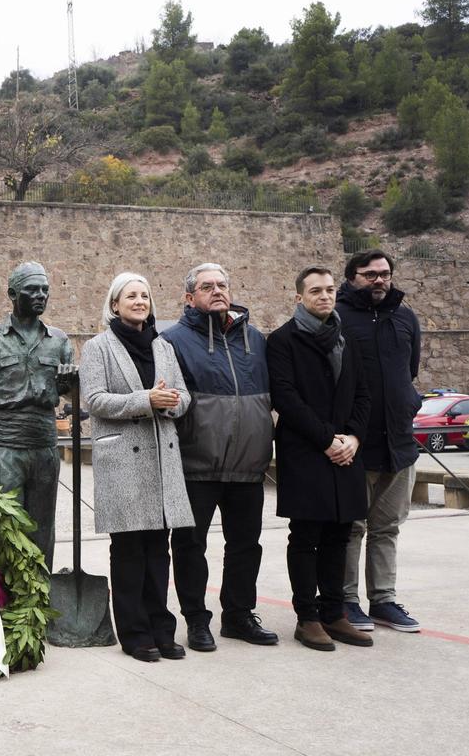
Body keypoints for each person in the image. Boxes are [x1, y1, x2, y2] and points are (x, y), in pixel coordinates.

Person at [163, 262, 279, 651]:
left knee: (246, 545)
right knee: (190, 546)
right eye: (207, 286)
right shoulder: (174, 341)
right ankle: (197, 620)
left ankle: (239, 615)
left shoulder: (257, 340)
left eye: (222, 284)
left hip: (248, 464)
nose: (217, 291)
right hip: (197, 464)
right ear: (189, 297)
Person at [80, 272, 195, 663]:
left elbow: (183, 396)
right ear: (115, 304)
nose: (139, 301)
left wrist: (173, 402)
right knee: (129, 551)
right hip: (123, 462)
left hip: (161, 458)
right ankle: (135, 634)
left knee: (158, 552)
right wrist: (146, 399)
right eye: (131, 295)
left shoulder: (163, 347)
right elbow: (94, 400)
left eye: (144, 295)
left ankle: (163, 630)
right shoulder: (98, 347)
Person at [267, 267, 373, 651]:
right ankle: (307, 618)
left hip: (346, 451)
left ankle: (335, 614)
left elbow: (363, 394)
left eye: (330, 289)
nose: (325, 296)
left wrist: (354, 438)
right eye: (315, 291)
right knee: (307, 535)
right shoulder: (283, 340)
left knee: (340, 534)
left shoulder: (347, 338)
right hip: (306, 451)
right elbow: (285, 397)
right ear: (299, 298)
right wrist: (327, 440)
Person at [0, 262, 75, 569]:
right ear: (12, 294)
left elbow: (73, 397)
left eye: (45, 290)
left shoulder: (60, 341)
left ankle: (38, 604)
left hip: (44, 444)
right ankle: (1, 606)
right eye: (32, 290)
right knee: (5, 531)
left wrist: (69, 388)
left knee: (42, 530)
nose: (40, 295)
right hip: (4, 446)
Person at [336, 249, 423, 633]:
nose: (379, 280)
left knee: (387, 528)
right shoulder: (337, 318)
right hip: (356, 444)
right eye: (369, 274)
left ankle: (384, 600)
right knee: (351, 526)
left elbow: (410, 370)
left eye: (384, 273)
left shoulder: (405, 318)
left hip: (399, 444)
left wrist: (408, 406)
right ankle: (347, 600)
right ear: (352, 277)